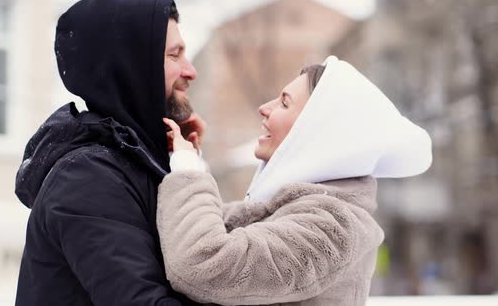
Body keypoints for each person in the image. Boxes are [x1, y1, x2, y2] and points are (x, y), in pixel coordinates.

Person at [159, 56, 433, 305]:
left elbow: (204, 263)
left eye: (284, 102)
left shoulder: (334, 228)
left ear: (314, 131)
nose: (264, 108)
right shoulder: (297, 210)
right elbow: (209, 227)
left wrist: (189, 171)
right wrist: (189, 158)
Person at [14, 0, 204, 305]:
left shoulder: (130, 165)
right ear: (131, 66)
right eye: (174, 55)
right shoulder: (89, 178)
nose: (190, 71)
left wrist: (187, 163)